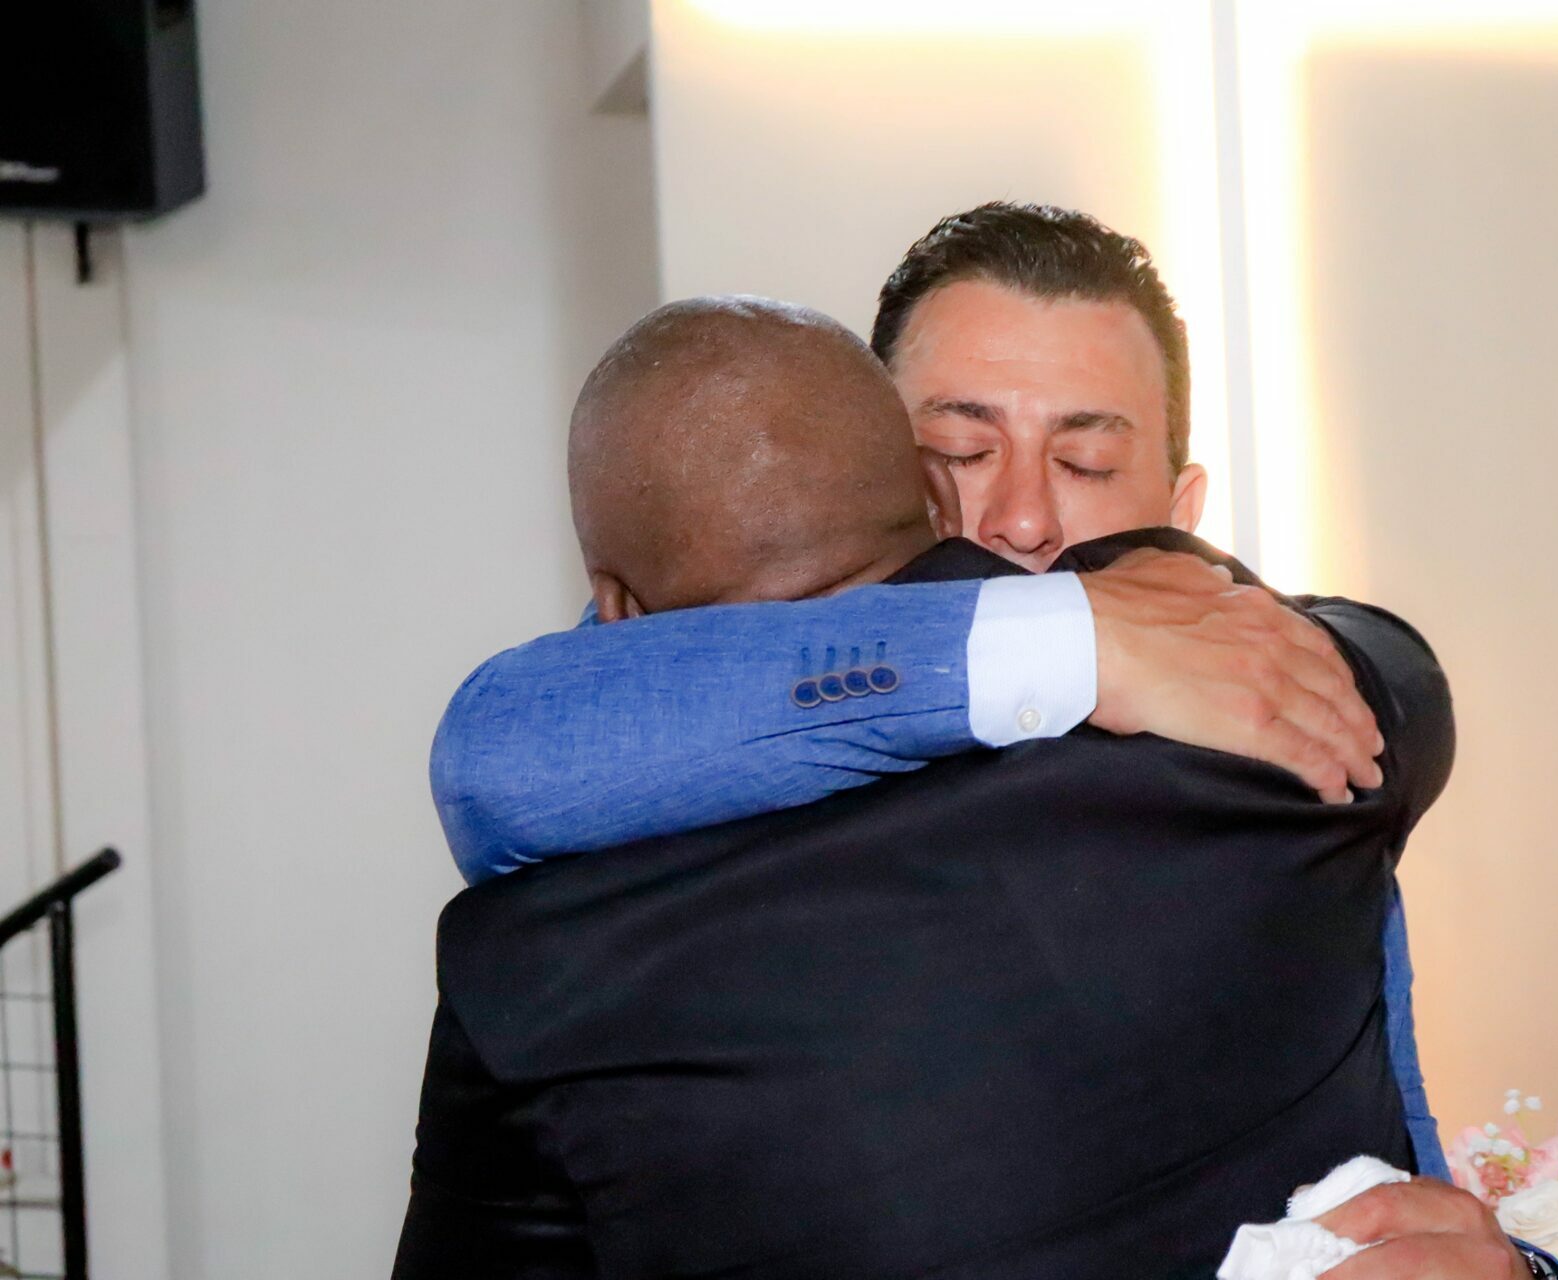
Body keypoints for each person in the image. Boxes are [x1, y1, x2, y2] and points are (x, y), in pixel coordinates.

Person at [429, 206, 1491, 1270]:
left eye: (1086, 463)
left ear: (1182, 510)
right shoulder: (620, 767)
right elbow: (507, 752)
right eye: (962, 450)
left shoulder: (1286, 710)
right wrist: (1062, 635)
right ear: (886, 467)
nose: (1022, 520)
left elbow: (1409, 1177)